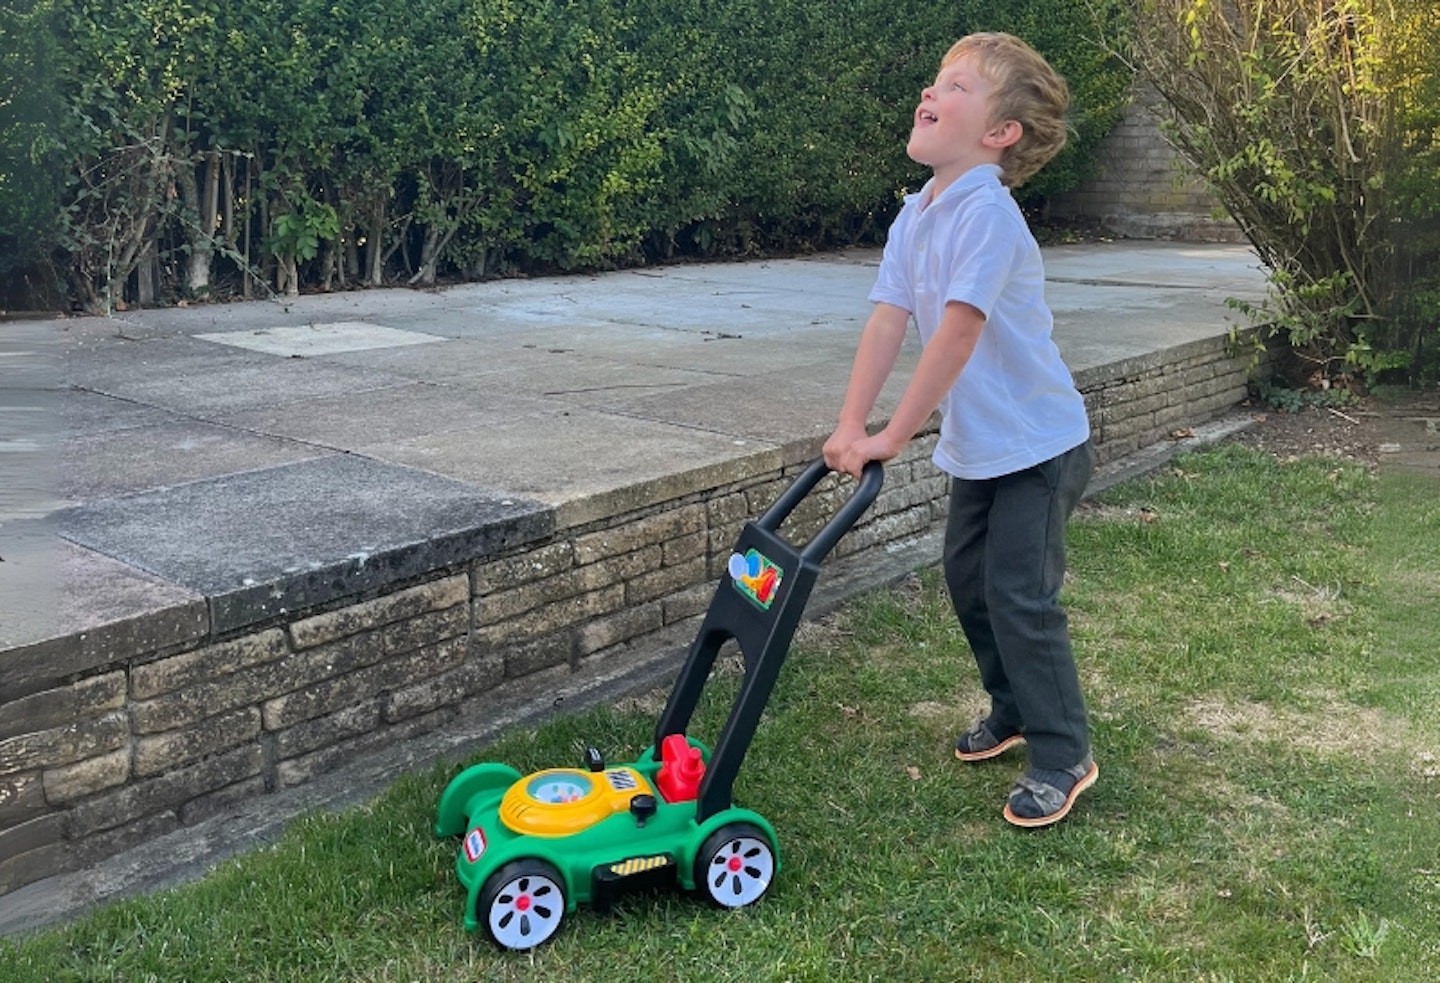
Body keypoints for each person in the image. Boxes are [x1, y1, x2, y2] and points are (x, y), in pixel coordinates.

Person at [822, 32, 1096, 827]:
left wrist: (893, 434)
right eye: (934, 80)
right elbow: (887, 319)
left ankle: (1062, 750)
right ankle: (1013, 707)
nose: (930, 91)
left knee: (1020, 595)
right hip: (982, 446)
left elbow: (958, 332)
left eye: (956, 85)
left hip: (1039, 444)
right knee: (968, 582)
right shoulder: (919, 214)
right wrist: (849, 422)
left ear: (999, 133)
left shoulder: (988, 214)